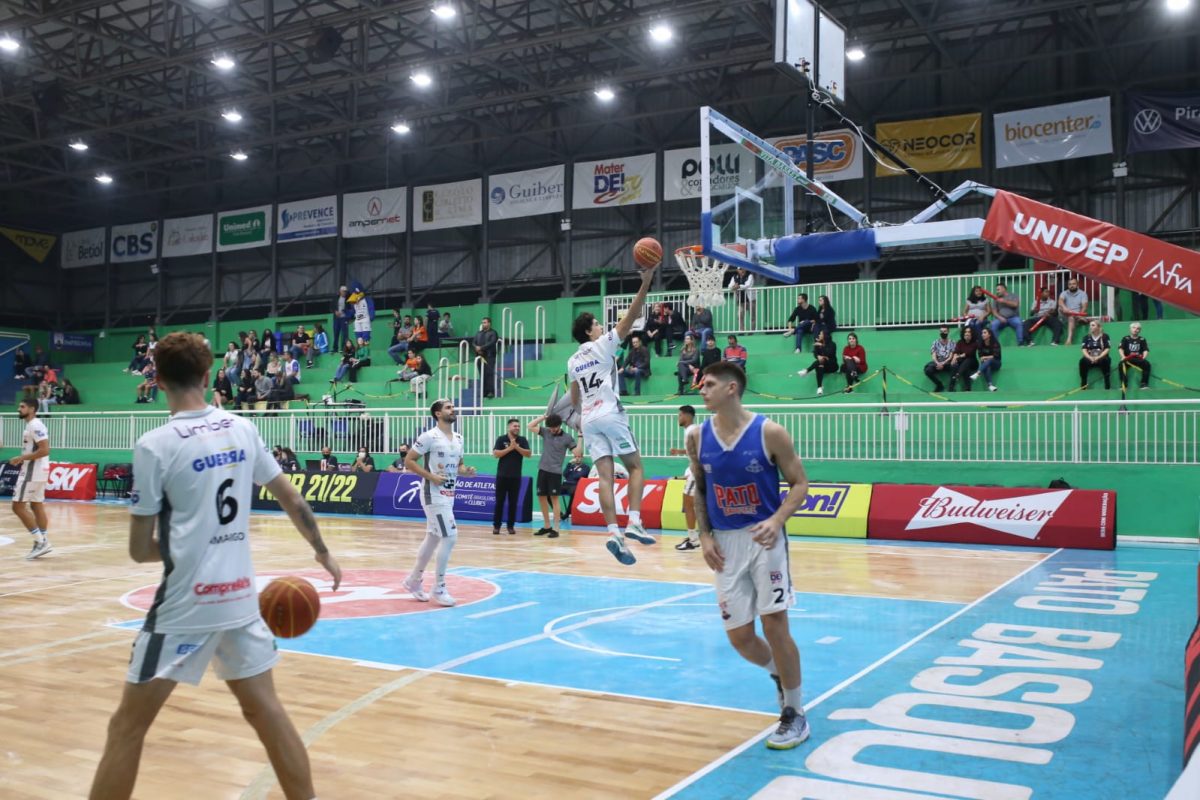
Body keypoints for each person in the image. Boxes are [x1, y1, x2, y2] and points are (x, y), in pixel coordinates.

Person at [87, 332, 342, 800]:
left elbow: (139, 550)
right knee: (267, 713)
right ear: (208, 376)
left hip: (185, 606)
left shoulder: (154, 445)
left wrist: (191, 543)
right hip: (240, 600)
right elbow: (293, 500)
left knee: (127, 727)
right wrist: (321, 550)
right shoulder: (242, 428)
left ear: (157, 380)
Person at [686, 361, 811, 750]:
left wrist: (777, 519)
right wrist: (704, 535)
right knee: (740, 637)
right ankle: (780, 674)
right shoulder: (696, 436)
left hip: (764, 540)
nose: (701, 390)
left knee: (775, 626)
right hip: (724, 544)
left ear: (731, 388)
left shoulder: (770, 432)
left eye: (709, 384)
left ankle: (794, 712)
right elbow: (700, 489)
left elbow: (800, 483)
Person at [568, 259, 659, 565]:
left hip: (589, 419)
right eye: (596, 324)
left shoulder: (572, 361)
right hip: (610, 413)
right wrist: (645, 282)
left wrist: (580, 420)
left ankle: (613, 533)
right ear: (589, 331)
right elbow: (631, 316)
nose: (600, 326)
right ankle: (634, 521)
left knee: (604, 478)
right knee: (635, 468)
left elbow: (573, 397)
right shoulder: (604, 344)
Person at [402, 399, 477, 606]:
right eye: (448, 407)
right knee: (450, 537)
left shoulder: (459, 438)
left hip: (449, 494)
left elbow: (459, 466)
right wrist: (431, 477)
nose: (453, 410)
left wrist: (466, 471)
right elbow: (409, 461)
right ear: (437, 413)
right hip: (432, 493)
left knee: (433, 538)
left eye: (453, 407)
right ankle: (439, 587)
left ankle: (413, 580)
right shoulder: (428, 437)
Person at [9, 398, 52, 560]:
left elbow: (45, 450)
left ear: (32, 409)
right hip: (40, 470)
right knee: (36, 505)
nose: (19, 409)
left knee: (17, 506)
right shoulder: (32, 425)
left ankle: (40, 542)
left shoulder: (35, 425)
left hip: (33, 471)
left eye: (22, 407)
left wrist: (21, 458)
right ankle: (43, 540)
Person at [527, 413, 580, 538]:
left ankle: (556, 528)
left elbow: (577, 453)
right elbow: (530, 426)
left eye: (554, 427)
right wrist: (543, 417)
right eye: (550, 427)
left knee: (554, 499)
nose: (552, 430)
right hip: (542, 470)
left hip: (555, 472)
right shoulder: (546, 432)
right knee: (541, 497)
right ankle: (547, 526)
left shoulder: (567, 438)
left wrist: (580, 437)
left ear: (559, 425)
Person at [668, 405, 702, 551]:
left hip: (698, 471)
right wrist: (679, 451)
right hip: (701, 471)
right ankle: (697, 537)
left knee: (687, 503)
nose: (678, 418)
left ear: (687, 416)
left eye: (680, 415)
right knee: (699, 505)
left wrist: (697, 464)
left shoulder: (691, 431)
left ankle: (693, 540)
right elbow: (693, 449)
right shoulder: (693, 430)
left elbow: (701, 449)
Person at [491, 418, 531, 535]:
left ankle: (510, 526)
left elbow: (528, 454)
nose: (517, 428)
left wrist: (516, 447)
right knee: (499, 502)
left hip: (515, 477)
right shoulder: (501, 439)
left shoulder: (522, 440)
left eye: (518, 426)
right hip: (502, 476)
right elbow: (496, 454)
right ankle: (496, 526)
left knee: (513, 503)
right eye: (515, 426)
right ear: (509, 427)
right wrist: (509, 448)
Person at [796, 330, 837, 396]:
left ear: (825, 335)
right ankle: (819, 387)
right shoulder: (818, 343)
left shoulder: (832, 344)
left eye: (820, 334)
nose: (819, 335)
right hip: (822, 365)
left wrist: (822, 346)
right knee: (819, 365)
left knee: (822, 361)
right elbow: (815, 353)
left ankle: (806, 371)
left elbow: (829, 353)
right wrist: (818, 356)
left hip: (832, 366)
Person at [1079, 320, 1111, 390]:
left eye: (1093, 325)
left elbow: (1107, 349)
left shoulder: (1105, 336)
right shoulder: (1086, 337)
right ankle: (1083, 384)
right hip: (1090, 358)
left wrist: (1098, 357)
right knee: (1082, 361)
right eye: (1090, 325)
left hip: (1101, 357)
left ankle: (1107, 384)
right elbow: (1084, 350)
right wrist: (1090, 357)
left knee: (1105, 361)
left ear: (1098, 327)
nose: (1090, 327)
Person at [1119, 323, 1152, 391]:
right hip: (1128, 359)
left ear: (1139, 330)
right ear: (1130, 329)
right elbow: (1120, 348)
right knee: (1121, 364)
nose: (1135, 330)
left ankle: (1144, 384)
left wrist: (1144, 357)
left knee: (1147, 364)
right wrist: (1123, 356)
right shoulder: (1125, 338)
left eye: (1138, 328)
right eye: (1134, 327)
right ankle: (1124, 384)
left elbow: (1145, 350)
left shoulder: (1142, 339)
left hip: (1138, 359)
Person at [1058, 277, 1089, 346]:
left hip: (1076, 314)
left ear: (1077, 284)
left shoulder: (1083, 293)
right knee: (1061, 308)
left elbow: (1084, 306)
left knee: (1071, 317)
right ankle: (1082, 319)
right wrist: (1065, 308)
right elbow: (1060, 301)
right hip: (1065, 314)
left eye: (1073, 284)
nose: (1071, 286)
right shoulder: (1064, 293)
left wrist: (1080, 314)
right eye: (1070, 284)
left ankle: (1069, 340)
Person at [924, 325, 956, 392]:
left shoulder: (952, 342)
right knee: (928, 370)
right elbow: (933, 355)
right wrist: (938, 363)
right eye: (941, 331)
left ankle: (951, 387)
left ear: (948, 332)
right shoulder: (935, 342)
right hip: (937, 362)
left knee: (955, 367)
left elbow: (951, 356)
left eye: (945, 331)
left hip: (947, 363)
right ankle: (939, 385)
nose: (943, 333)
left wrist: (943, 363)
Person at [473, 317, 499, 399]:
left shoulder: (493, 333)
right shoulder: (478, 333)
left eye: (485, 322)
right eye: (482, 322)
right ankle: (484, 392)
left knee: (489, 374)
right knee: (482, 374)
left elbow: (492, 342)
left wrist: (481, 348)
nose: (483, 324)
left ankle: (491, 392)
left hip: (489, 356)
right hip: (479, 356)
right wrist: (477, 348)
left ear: (489, 323)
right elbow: (474, 342)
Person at [972, 327, 1002, 392]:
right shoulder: (980, 343)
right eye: (982, 333)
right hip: (986, 363)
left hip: (996, 363)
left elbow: (995, 356)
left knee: (989, 360)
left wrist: (985, 358)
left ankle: (978, 373)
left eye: (985, 333)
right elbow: (980, 356)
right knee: (987, 367)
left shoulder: (995, 343)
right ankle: (990, 385)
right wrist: (983, 359)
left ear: (989, 334)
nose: (982, 334)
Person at [561, 452, 590, 521]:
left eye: (579, 457)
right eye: (575, 457)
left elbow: (578, 476)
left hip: (574, 485)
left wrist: (570, 475)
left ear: (582, 458)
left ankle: (567, 513)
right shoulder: (570, 466)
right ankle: (559, 513)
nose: (577, 458)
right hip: (565, 485)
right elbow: (564, 474)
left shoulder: (586, 467)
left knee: (574, 492)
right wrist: (569, 464)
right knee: (549, 492)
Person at [949, 327, 979, 392]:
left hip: (972, 362)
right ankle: (951, 387)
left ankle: (958, 375)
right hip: (963, 363)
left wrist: (957, 357)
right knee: (956, 365)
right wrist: (954, 358)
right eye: (965, 332)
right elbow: (956, 351)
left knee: (967, 361)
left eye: (969, 332)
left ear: (972, 334)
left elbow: (968, 353)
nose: (967, 334)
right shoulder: (960, 342)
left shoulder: (975, 343)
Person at [332, 285, 350, 353]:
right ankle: (335, 348)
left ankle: (343, 348)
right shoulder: (336, 298)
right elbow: (331, 307)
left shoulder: (348, 299)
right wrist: (335, 311)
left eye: (345, 291)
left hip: (344, 318)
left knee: (344, 334)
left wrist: (345, 312)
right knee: (336, 333)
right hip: (336, 319)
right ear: (340, 291)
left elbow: (350, 308)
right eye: (343, 291)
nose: (344, 292)